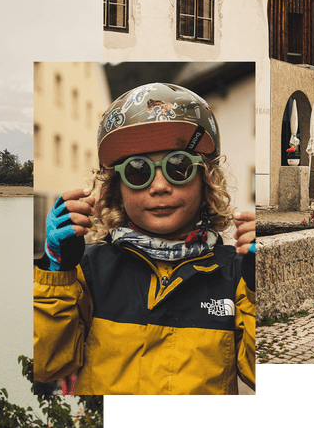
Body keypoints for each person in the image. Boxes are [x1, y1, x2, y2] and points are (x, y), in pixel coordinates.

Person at [33, 83, 256, 396]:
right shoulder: (86, 270)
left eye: (178, 167)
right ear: (117, 189)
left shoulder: (235, 275)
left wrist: (263, 283)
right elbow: (46, 366)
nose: (160, 186)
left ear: (205, 181)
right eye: (138, 171)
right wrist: (55, 272)